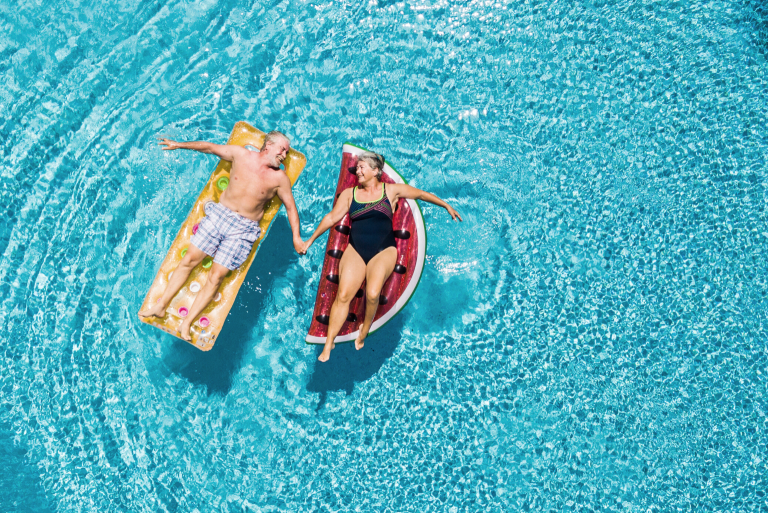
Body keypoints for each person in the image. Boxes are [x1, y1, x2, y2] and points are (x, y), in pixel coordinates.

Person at [140, 131, 306, 341]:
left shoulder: (279, 178)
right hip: (220, 215)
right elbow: (210, 147)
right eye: (282, 149)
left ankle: (187, 323)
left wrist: (296, 238)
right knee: (189, 259)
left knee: (216, 276)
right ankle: (161, 306)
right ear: (268, 145)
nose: (284, 154)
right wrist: (179, 144)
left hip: (243, 230)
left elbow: (291, 208)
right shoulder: (241, 155)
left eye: (287, 152)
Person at [302, 152, 462, 362]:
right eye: (357, 167)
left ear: (376, 171)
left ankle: (365, 327)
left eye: (362, 167)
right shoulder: (350, 194)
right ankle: (329, 343)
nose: (357, 171)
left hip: (383, 249)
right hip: (355, 248)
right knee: (342, 295)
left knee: (373, 293)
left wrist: (446, 205)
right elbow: (332, 217)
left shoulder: (391, 191)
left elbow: (421, 194)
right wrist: (310, 240)